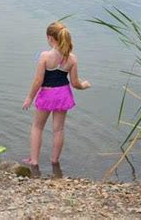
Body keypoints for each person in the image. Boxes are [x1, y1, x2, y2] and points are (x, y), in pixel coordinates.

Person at [22, 22, 91, 177]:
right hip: (63, 95)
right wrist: (85, 85)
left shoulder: (45, 56)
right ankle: (54, 161)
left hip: (47, 94)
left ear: (50, 38)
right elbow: (75, 83)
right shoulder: (72, 58)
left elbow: (38, 80)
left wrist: (29, 97)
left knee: (37, 127)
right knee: (58, 129)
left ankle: (34, 161)